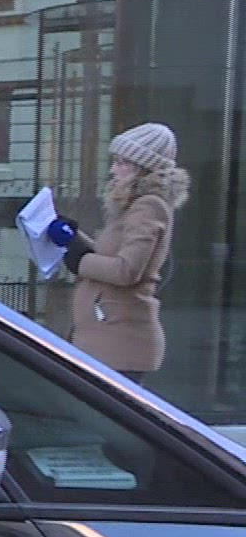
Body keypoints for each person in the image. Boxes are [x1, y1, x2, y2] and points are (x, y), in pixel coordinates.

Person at [49, 122, 189, 385]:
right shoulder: (134, 205)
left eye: (122, 163)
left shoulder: (149, 206)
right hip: (107, 338)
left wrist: (80, 260)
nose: (113, 170)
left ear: (143, 167)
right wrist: (74, 238)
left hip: (120, 342)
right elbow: (110, 256)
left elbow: (127, 270)